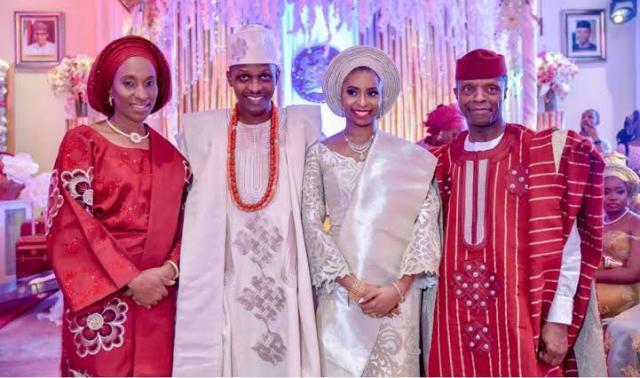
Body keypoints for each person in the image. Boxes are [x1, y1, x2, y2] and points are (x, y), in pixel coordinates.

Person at [427, 49, 606, 376]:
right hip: (452, 325)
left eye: (490, 88)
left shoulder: (538, 153)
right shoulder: (440, 164)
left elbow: (567, 244)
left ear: (506, 90)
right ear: (456, 94)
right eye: (469, 89)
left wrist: (558, 320)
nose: (479, 98)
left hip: (524, 321)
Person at [172, 24, 321, 376]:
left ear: (278, 76)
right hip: (228, 274)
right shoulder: (202, 132)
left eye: (264, 76)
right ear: (229, 78)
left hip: (287, 273)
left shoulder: (301, 127)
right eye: (244, 77)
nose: (255, 87)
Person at [46, 35, 190, 376]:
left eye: (149, 83)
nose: (141, 94)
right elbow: (69, 222)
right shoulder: (82, 143)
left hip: (159, 293)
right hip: (101, 298)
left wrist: (167, 272)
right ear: (110, 89)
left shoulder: (174, 159)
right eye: (129, 83)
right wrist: (130, 280)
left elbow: (194, 223)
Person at [302, 46, 441, 376]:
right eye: (353, 92)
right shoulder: (319, 155)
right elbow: (310, 223)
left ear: (383, 97)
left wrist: (398, 289)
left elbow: (425, 222)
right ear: (339, 95)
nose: (362, 103)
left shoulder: (408, 157)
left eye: (371, 93)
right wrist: (354, 287)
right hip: (342, 294)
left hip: (397, 299)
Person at [595, 152, 640, 376]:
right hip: (593, 292)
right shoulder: (594, 222)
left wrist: (592, 274)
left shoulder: (636, 223)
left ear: (629, 193)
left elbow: (634, 272)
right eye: (605, 191)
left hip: (627, 297)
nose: (612, 197)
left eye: (619, 191)